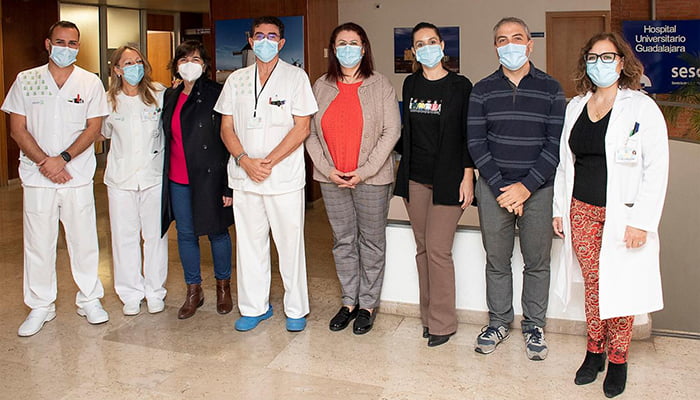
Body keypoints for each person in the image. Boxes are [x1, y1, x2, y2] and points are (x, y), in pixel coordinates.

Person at [552, 32, 668, 398]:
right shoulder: (576, 107)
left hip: (624, 215)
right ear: (585, 62)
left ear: (621, 62)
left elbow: (656, 168)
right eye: (592, 57)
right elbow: (565, 164)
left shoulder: (641, 108)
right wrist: (560, 210)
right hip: (581, 211)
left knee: (622, 284)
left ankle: (618, 358)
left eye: (607, 57)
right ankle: (594, 351)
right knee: (594, 284)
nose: (599, 64)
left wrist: (642, 222)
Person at [2, 21, 110, 336]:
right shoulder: (27, 80)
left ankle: (89, 299)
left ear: (78, 47)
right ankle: (40, 305)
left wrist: (62, 159)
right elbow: (17, 129)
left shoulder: (89, 82)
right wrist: (44, 162)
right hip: (38, 177)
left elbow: (93, 129)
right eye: (60, 42)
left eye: (72, 43)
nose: (66, 48)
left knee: (84, 239)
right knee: (38, 242)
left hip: (76, 175)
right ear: (48, 44)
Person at [467, 17, 565, 360]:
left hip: (539, 189)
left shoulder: (552, 89)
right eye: (502, 39)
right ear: (495, 47)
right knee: (497, 260)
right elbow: (476, 143)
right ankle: (498, 322)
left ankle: (534, 325)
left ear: (530, 44)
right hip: (494, 189)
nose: (510, 44)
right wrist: (502, 188)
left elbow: (555, 144)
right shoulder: (481, 90)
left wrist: (525, 188)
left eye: (517, 38)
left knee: (537, 261)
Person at [215, 16, 318, 333]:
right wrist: (245, 161)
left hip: (283, 178)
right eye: (259, 35)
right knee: (249, 245)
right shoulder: (236, 80)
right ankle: (254, 307)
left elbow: (302, 128)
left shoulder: (295, 77)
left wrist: (267, 162)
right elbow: (226, 127)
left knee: (290, 246)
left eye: (272, 36)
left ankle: (296, 308)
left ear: (281, 43)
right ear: (250, 39)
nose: (264, 41)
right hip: (245, 177)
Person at [306, 22, 400, 335]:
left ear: (364, 48)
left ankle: (367, 305)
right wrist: (327, 169)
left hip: (371, 179)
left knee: (371, 242)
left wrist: (364, 171)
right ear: (334, 49)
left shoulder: (380, 84)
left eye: (354, 43)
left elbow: (391, 132)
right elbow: (309, 132)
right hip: (331, 178)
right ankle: (349, 301)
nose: (348, 48)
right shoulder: (321, 85)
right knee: (343, 241)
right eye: (342, 43)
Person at [394, 22, 475, 347]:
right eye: (419, 44)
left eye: (431, 41)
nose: (426, 47)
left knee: (438, 250)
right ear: (413, 51)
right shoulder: (411, 84)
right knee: (423, 248)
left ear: (442, 46)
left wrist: (468, 175)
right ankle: (428, 317)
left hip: (449, 179)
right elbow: (408, 133)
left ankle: (443, 322)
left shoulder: (460, 86)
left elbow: (467, 133)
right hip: (415, 178)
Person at [161, 40, 234, 319]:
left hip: (210, 176)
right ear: (176, 65)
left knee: (217, 231)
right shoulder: (170, 95)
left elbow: (228, 140)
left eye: (195, 59)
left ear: (204, 65)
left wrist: (228, 185)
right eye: (183, 59)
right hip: (178, 178)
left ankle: (223, 287)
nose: (189, 64)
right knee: (186, 233)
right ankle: (194, 290)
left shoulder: (217, 93)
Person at [103, 46, 168, 316]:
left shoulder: (159, 93)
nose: (134, 67)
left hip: (153, 177)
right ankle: (130, 293)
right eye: (128, 63)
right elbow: (104, 133)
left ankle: (155, 291)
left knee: (155, 237)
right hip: (120, 178)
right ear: (117, 69)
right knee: (124, 237)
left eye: (138, 61)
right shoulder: (108, 100)